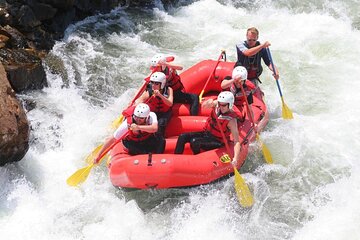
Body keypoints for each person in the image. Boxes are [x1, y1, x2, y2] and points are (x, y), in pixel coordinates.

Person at [174, 91, 241, 163]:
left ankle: (197, 161)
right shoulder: (217, 104)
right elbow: (204, 106)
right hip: (207, 134)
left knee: (194, 141)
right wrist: (209, 102)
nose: (221, 107)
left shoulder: (231, 121)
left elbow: (236, 141)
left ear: (230, 105)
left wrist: (235, 158)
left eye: (224, 105)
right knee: (182, 136)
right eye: (220, 104)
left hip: (218, 141)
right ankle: (175, 160)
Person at [93, 103, 165, 162]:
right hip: (132, 142)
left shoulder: (152, 116)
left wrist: (138, 127)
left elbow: (154, 128)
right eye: (136, 117)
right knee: (144, 152)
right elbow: (112, 139)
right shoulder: (126, 124)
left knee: (161, 141)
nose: (138, 120)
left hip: (146, 138)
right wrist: (98, 155)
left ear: (147, 117)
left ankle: (158, 159)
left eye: (141, 118)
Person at [134, 71, 173, 137]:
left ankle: (160, 138)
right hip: (153, 113)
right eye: (152, 83)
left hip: (165, 113)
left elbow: (170, 103)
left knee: (161, 123)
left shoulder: (169, 90)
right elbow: (140, 100)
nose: (153, 85)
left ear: (162, 84)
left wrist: (160, 95)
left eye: (156, 83)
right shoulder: (149, 92)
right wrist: (135, 105)